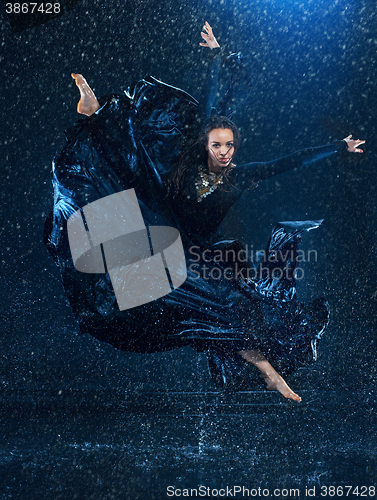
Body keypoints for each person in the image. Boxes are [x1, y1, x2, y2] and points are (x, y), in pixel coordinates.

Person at [45, 23, 364, 402]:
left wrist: (337, 147)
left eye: (230, 145)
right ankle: (95, 112)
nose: (224, 151)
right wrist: (215, 56)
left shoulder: (240, 177)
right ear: (207, 145)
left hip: (194, 253)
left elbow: (287, 162)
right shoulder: (192, 161)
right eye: (217, 144)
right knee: (122, 185)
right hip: (158, 223)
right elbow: (210, 103)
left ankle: (267, 372)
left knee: (227, 309)